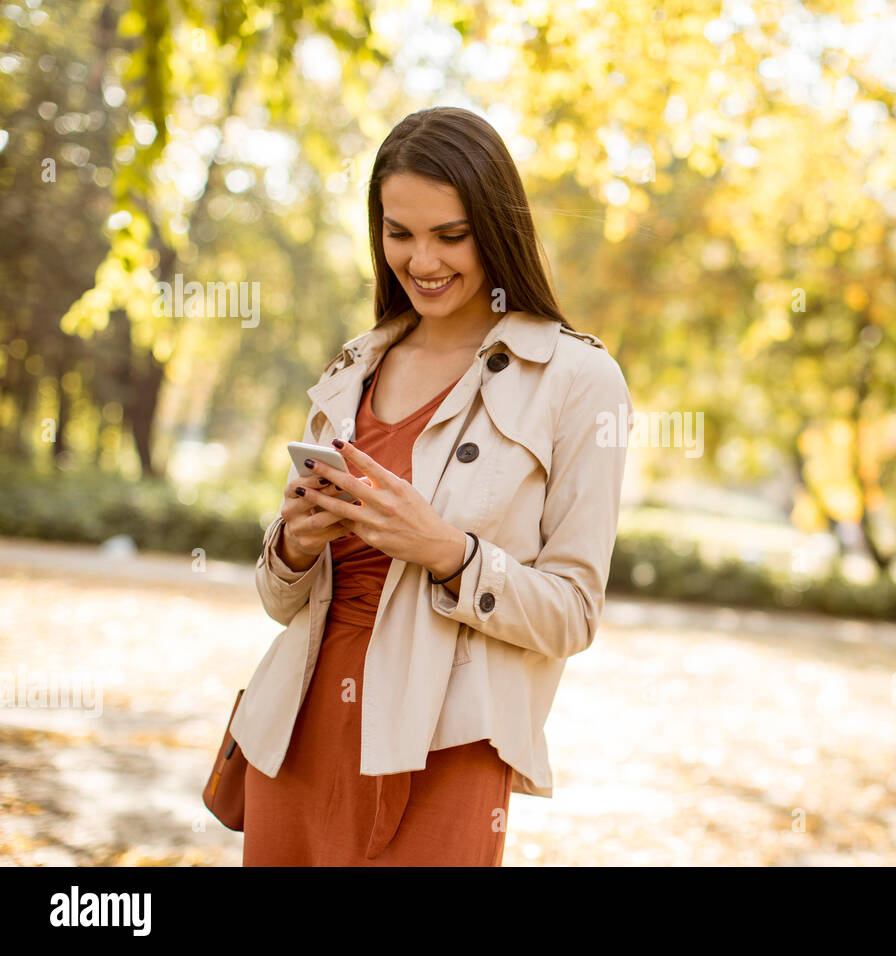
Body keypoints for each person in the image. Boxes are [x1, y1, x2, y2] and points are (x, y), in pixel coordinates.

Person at [232, 106, 634, 866]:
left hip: (446, 737)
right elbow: (280, 600)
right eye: (399, 233)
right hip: (298, 724)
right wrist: (291, 545)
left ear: (497, 227)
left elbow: (574, 615)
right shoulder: (352, 367)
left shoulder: (579, 381)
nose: (422, 261)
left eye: (451, 235)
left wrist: (449, 553)